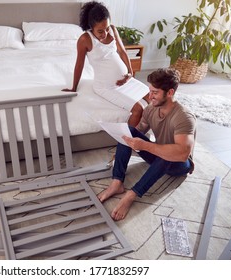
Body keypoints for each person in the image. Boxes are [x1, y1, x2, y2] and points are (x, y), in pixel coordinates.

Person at [98, 68, 197, 221]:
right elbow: (139, 130)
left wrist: (144, 146)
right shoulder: (151, 109)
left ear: (170, 93)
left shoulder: (184, 117)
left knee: (167, 154)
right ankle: (117, 182)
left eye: (155, 93)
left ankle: (132, 194)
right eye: (149, 91)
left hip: (179, 164)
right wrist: (126, 143)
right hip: (158, 155)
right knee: (128, 132)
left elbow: (182, 153)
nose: (150, 97)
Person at [62, 1, 149, 126]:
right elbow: (79, 65)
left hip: (126, 81)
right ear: (91, 27)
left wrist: (130, 73)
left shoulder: (113, 30)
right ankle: (126, 144)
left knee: (154, 98)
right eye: (100, 31)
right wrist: (74, 87)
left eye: (107, 28)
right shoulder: (85, 39)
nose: (105, 33)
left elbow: (122, 51)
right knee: (138, 109)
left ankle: (149, 135)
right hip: (106, 87)